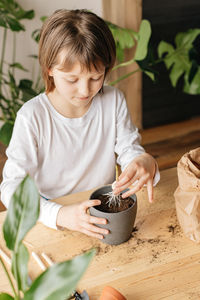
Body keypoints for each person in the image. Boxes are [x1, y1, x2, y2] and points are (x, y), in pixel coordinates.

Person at [0, 9, 160, 240]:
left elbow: (129, 149)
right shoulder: (32, 116)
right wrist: (60, 214)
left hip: (103, 209)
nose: (86, 90)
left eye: (96, 77)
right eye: (72, 80)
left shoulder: (113, 100)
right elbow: (10, 189)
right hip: (52, 216)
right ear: (50, 70)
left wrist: (142, 160)